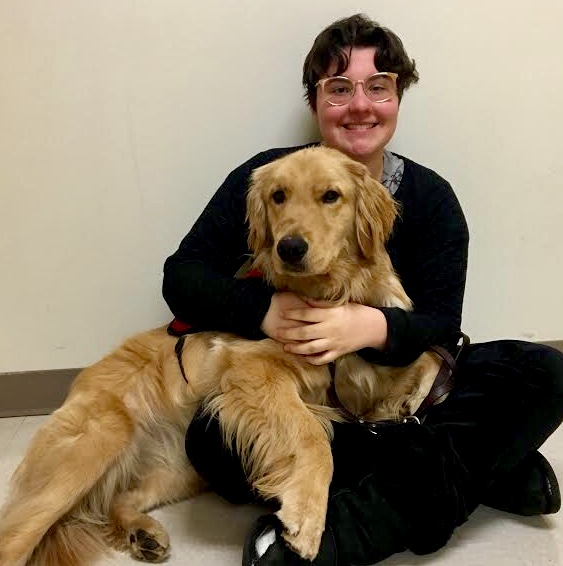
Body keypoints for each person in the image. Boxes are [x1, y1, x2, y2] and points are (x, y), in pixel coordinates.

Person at [162, 13, 563, 566]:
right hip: (304, 393)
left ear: (398, 97)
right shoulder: (267, 179)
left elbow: (443, 323)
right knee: (212, 441)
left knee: (544, 372)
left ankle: (340, 534)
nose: (360, 105)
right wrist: (263, 310)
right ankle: (481, 470)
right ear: (315, 102)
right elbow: (181, 276)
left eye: (379, 87)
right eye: (339, 89)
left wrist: (369, 325)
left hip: (404, 387)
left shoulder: (432, 198)